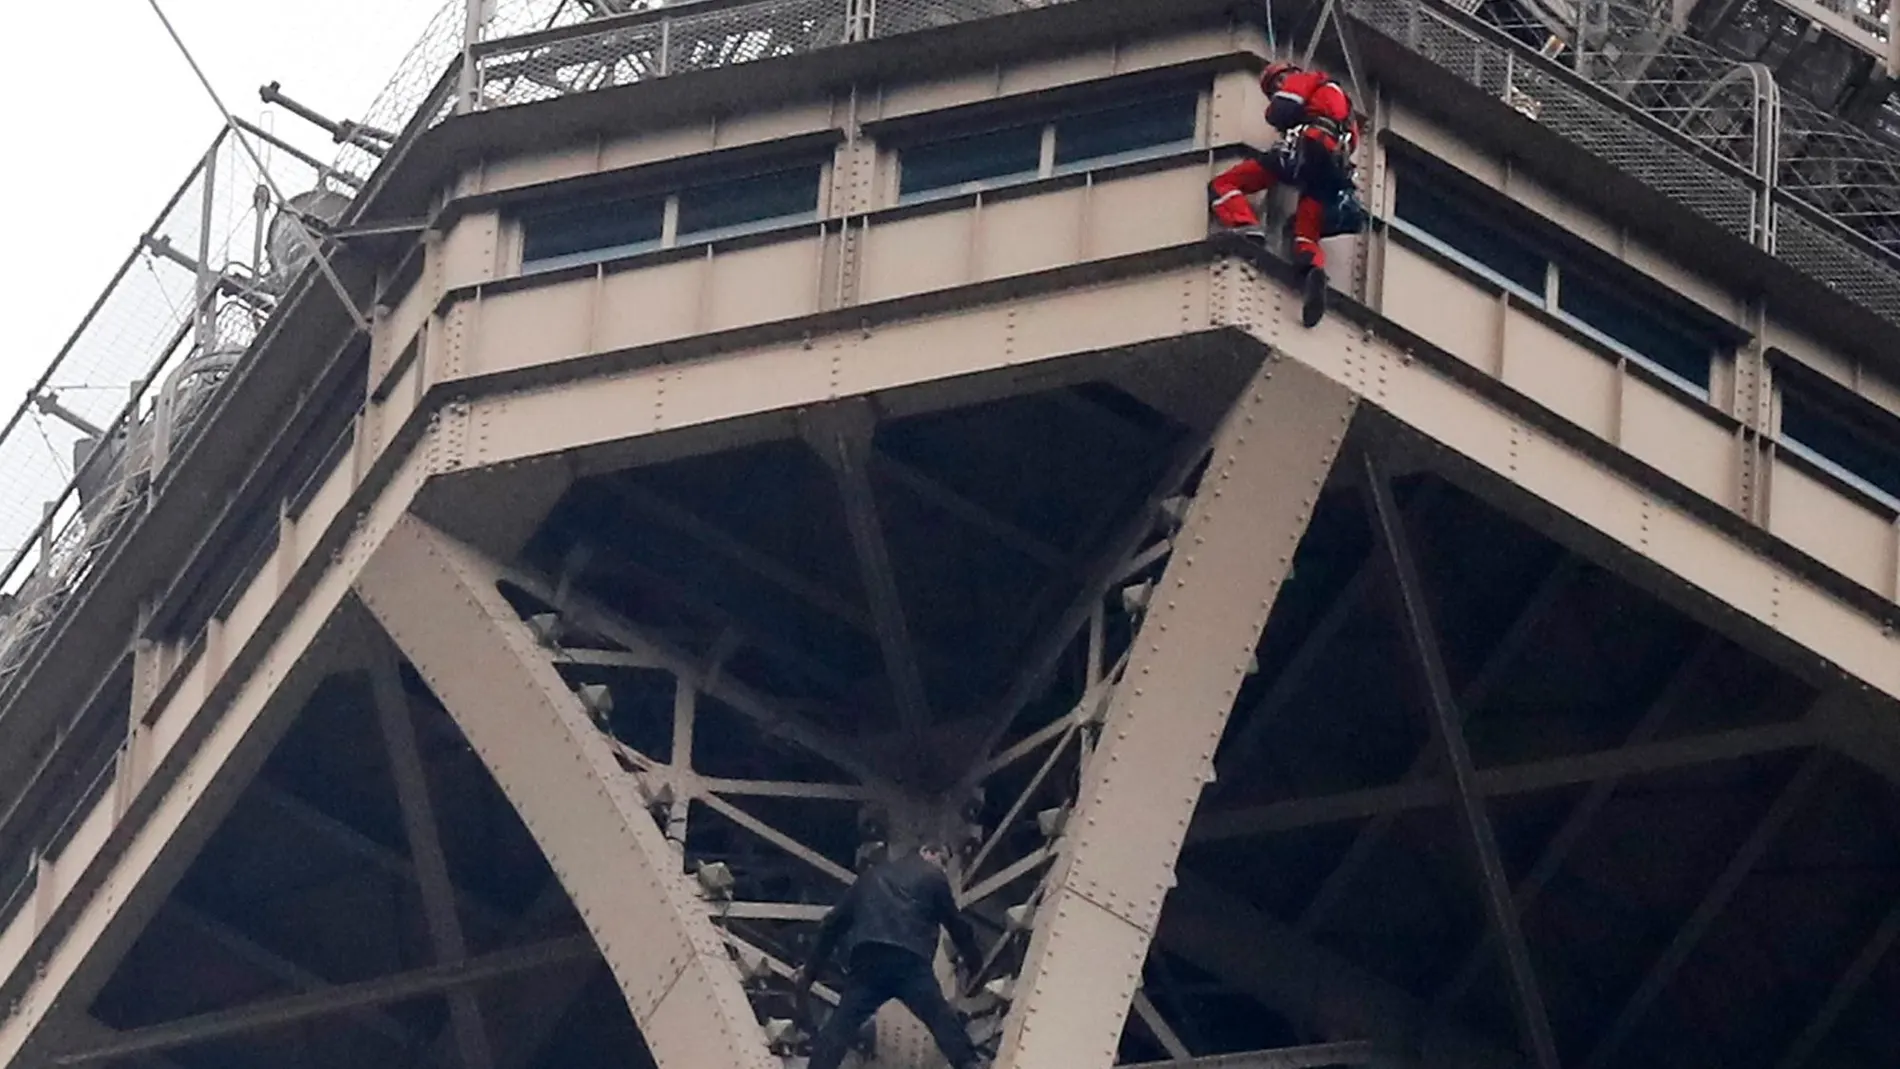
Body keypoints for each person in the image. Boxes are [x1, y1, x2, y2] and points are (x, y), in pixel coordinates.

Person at [795, 842, 986, 1069]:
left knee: (841, 1024)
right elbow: (956, 925)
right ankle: (969, 1064)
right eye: (943, 861)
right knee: (939, 1015)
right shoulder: (933, 877)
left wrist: (809, 973)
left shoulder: (869, 877)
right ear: (927, 852)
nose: (944, 868)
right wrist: (976, 964)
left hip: (869, 959)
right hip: (909, 960)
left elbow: (832, 925)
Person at [1209, 60, 1369, 327]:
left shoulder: (1304, 80)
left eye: (1275, 85)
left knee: (1223, 184)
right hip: (1332, 169)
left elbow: (1280, 111)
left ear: (1286, 75)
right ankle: (1312, 270)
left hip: (1307, 151)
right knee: (1304, 229)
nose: (1276, 89)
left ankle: (1245, 224)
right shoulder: (1347, 111)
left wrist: (1279, 110)